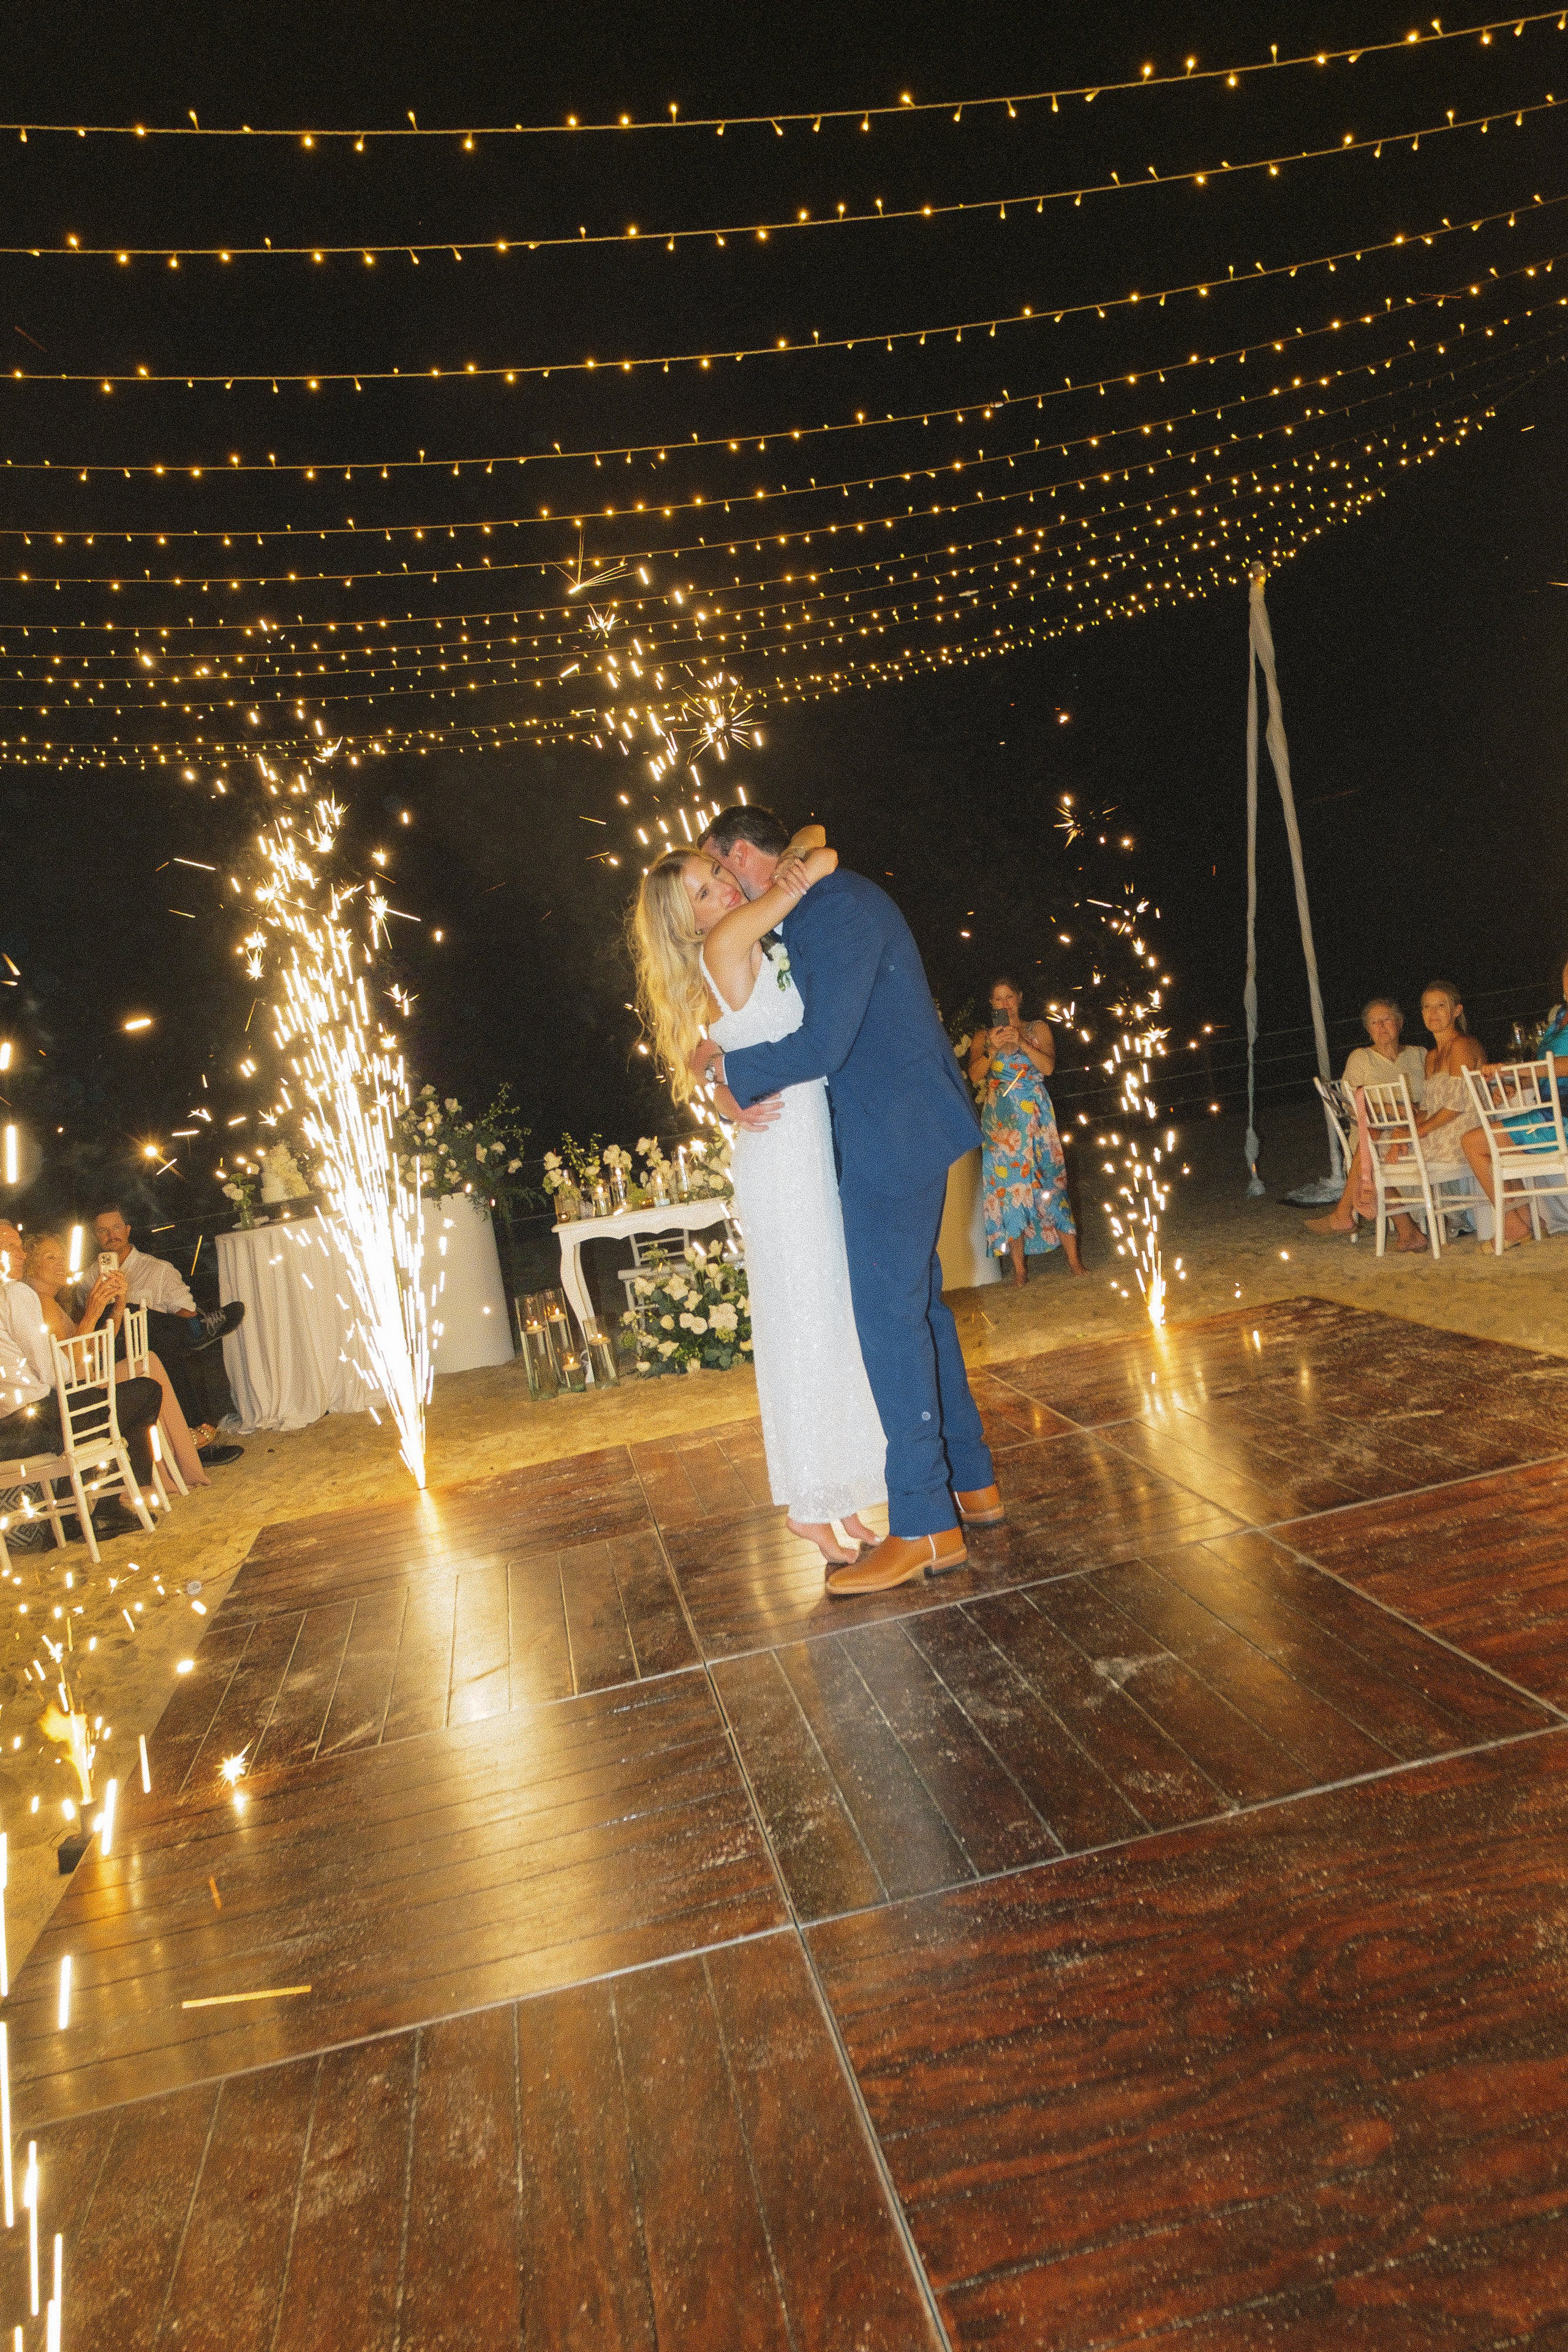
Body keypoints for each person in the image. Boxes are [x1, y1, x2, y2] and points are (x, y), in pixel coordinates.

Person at [694, 804, 1001, 1597]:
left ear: (743, 856)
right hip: (892, 1128)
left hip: (889, 1134)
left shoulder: (831, 908)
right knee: (922, 1310)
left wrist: (732, 1077)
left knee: (890, 1324)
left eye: (723, 870)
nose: (726, 887)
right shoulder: (819, 905)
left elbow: (823, 1045)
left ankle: (927, 1527)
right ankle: (973, 1482)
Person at [631, 825, 886, 1568]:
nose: (724, 886)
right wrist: (777, 874)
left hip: (800, 1141)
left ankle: (835, 1494)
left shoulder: (740, 943)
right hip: (783, 1159)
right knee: (803, 1324)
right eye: (705, 890)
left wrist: (713, 1072)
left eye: (718, 869)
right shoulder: (725, 942)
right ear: (688, 921)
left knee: (825, 1319)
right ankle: (809, 1507)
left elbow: (809, 839)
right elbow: (822, 856)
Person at [0, 1219, 161, 1541]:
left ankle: (98, 1507)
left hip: (10, 1429)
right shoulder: (14, 1293)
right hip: (29, 1422)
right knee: (144, 1391)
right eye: (11, 1248)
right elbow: (57, 1375)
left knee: (109, 1404)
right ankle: (102, 1507)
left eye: (20, 1247)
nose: (19, 1255)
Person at [23, 1234, 209, 1492]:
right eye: (50, 1257)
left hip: (88, 1378)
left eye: (61, 1256)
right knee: (149, 1366)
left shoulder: (51, 1301)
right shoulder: (39, 1303)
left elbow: (99, 1346)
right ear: (31, 1265)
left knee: (149, 1361)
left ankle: (174, 1465)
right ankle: (173, 1465)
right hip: (80, 1391)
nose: (60, 1263)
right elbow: (71, 1361)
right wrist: (93, 1309)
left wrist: (118, 1302)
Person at [84, 1207, 244, 1465]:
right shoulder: (89, 1278)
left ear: (127, 1230)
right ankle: (198, 1332)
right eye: (102, 1230)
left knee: (155, 1335)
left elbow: (185, 1308)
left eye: (116, 1227)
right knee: (133, 1312)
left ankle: (194, 1331)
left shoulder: (157, 1269)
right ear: (95, 1237)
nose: (110, 1235)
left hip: (156, 1348)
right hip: (111, 1349)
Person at [968, 977, 1085, 1284]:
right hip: (1002, 1123)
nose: (1004, 1004)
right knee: (1011, 1190)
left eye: (1009, 997)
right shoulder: (984, 1036)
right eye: (997, 999)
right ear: (991, 1004)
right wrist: (993, 1049)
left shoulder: (1038, 1029)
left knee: (1051, 1180)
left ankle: (1075, 1262)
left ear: (1019, 998)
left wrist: (1019, 1043)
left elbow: (1048, 1067)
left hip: (1036, 1117)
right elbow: (974, 1074)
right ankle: (1020, 1270)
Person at [1461, 949, 1568, 1246]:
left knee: (1475, 1142)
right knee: (1486, 1142)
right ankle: (1524, 1220)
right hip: (1550, 1112)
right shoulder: (1560, 1016)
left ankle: (1516, 1223)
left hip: (1563, 1116)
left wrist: (1514, 1070)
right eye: (1566, 975)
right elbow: (1545, 1069)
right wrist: (1513, 1083)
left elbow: (1561, 1066)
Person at [1370, 981, 1487, 1253]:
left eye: (1440, 1006)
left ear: (1457, 1011)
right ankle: (1412, 1227)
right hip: (1441, 1125)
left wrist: (1417, 1132)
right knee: (1377, 1145)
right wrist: (1407, 1128)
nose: (1432, 1013)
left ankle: (1422, 1225)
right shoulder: (1431, 1055)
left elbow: (1457, 1105)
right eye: (1427, 1007)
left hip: (1461, 1126)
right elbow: (1429, 1106)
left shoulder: (1463, 1046)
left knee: (1380, 1150)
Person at [1305, 997, 1428, 1238]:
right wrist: (1392, 1110)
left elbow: (1435, 1097)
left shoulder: (1420, 1054)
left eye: (1387, 1020)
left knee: (1370, 1149)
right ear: (1368, 1029)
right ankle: (1406, 1230)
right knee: (1370, 1143)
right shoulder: (1360, 1058)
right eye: (1374, 1023)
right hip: (1372, 1132)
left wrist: (1411, 1111)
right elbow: (1351, 1108)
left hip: (1417, 1129)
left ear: (1400, 1023)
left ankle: (1344, 1215)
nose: (1381, 1027)